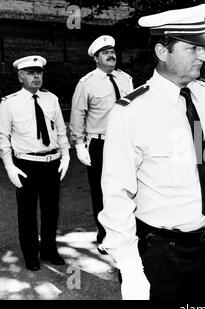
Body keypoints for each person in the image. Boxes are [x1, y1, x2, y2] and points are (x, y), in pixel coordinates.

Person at [98, 3, 205, 300]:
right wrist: (130, 265)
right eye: (193, 48)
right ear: (163, 52)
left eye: (203, 48)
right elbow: (117, 194)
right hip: (165, 253)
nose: (203, 56)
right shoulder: (132, 112)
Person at [0, 55, 70, 271]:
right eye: (30, 73)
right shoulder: (9, 103)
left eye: (38, 72)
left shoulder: (52, 100)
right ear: (21, 76)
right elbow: (3, 136)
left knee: (51, 211)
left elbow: (60, 130)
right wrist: (9, 166)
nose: (36, 76)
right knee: (27, 213)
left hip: (51, 162)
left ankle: (49, 250)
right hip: (26, 165)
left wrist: (66, 155)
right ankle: (31, 255)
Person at [70, 35, 133, 254]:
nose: (111, 55)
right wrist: (78, 144)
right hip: (100, 145)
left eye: (112, 51)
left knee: (126, 188)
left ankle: (124, 233)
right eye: (105, 52)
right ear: (96, 58)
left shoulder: (126, 79)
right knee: (101, 192)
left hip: (124, 143)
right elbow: (78, 114)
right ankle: (104, 235)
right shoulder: (87, 83)